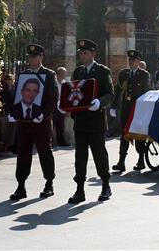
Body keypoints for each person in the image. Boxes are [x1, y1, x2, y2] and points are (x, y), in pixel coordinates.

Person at [61, 39, 115, 203]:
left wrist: (100, 103)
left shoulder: (102, 71)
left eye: (85, 53)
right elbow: (73, 92)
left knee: (99, 154)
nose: (82, 55)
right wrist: (65, 105)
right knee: (80, 156)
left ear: (93, 54)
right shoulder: (78, 72)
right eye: (81, 53)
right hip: (81, 121)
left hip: (96, 120)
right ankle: (79, 189)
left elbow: (110, 94)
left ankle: (105, 185)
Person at [9, 44, 58, 200]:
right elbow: (17, 96)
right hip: (24, 123)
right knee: (23, 153)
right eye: (30, 56)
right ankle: (21, 185)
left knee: (45, 152)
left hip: (41, 123)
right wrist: (14, 113)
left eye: (35, 56)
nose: (32, 59)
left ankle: (49, 183)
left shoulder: (49, 75)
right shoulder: (23, 74)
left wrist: (43, 115)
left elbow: (53, 99)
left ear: (41, 57)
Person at [110, 50, 152, 172]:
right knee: (124, 134)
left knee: (139, 135)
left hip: (138, 108)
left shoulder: (144, 75)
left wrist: (145, 110)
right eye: (129, 60)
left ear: (138, 61)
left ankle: (141, 160)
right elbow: (117, 90)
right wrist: (113, 106)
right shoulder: (124, 73)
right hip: (126, 108)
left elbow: (147, 93)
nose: (131, 62)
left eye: (133, 60)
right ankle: (121, 162)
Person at [53, 67, 69, 147]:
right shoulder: (54, 82)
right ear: (58, 73)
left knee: (61, 125)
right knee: (53, 125)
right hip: (54, 106)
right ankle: (52, 143)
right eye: (63, 73)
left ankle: (61, 142)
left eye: (65, 73)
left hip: (61, 106)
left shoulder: (64, 82)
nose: (64, 75)